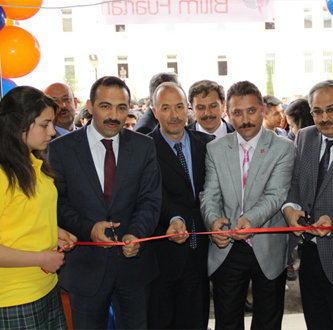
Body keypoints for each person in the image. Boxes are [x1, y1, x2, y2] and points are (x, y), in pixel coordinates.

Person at [48, 76, 162, 329]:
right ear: (89, 106)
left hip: (134, 268)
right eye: (105, 106)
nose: (114, 115)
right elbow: (57, 204)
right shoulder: (60, 149)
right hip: (85, 269)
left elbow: (150, 201)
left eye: (122, 107)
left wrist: (136, 234)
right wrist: (88, 228)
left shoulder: (144, 146)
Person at [200, 81, 295, 329]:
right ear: (227, 113)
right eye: (237, 113)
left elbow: (276, 195)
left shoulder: (284, 147)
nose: (245, 119)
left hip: (268, 245)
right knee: (227, 320)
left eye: (251, 111)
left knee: (268, 321)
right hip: (227, 246)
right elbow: (209, 194)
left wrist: (250, 220)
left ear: (262, 109)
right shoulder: (215, 149)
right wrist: (212, 221)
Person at [283, 80, 333, 329]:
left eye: (331, 109)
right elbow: (295, 182)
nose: (324, 117)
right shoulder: (306, 137)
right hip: (308, 254)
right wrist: (290, 209)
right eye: (317, 111)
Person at [0, 86, 77, 329]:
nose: (53, 131)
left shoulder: (34, 161)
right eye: (45, 124)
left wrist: (53, 231)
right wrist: (41, 258)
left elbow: (21, 218)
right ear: (19, 123)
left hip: (46, 288)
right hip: (14, 297)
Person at [147, 82, 214, 329]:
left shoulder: (207, 145)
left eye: (178, 107)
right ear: (154, 111)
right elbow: (151, 196)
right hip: (163, 257)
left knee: (196, 320)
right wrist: (174, 218)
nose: (174, 115)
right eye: (165, 108)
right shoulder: (143, 149)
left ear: (187, 108)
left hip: (202, 254)